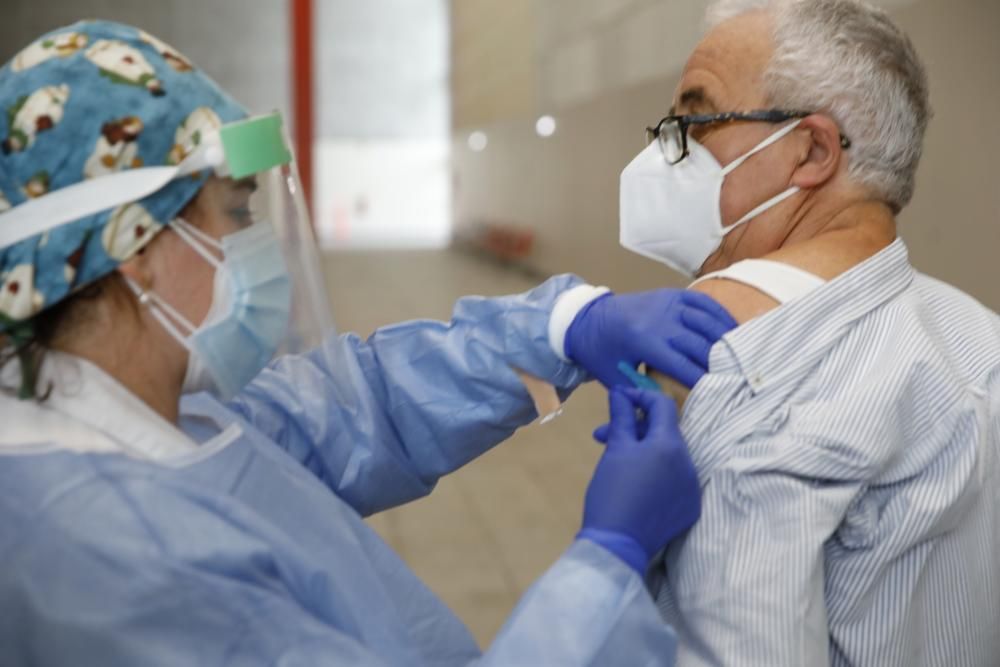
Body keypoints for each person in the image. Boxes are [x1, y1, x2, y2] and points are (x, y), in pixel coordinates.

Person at [0, 21, 739, 665]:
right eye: (232, 215)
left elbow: (361, 409)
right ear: (134, 247)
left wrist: (564, 327)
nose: (254, 248)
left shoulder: (153, 409)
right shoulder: (114, 559)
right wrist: (608, 563)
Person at [617, 0, 1000, 664]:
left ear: (813, 150)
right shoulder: (979, 336)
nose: (665, 150)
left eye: (694, 119)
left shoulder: (736, 357)